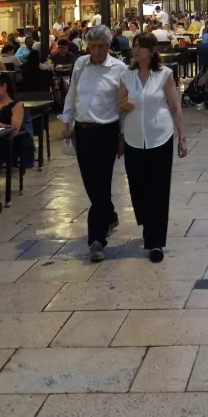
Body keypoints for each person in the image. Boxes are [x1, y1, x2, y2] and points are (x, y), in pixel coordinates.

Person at [119, 32, 187, 262]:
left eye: (140, 47)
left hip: (160, 135)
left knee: (158, 188)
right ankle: (147, 222)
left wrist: (182, 136)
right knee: (137, 187)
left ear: (152, 50)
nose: (136, 51)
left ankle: (155, 241)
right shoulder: (126, 75)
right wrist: (124, 105)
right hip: (134, 137)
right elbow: (121, 103)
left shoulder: (164, 74)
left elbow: (175, 106)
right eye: (134, 47)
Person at [60, 25, 122, 262]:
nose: (95, 51)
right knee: (89, 183)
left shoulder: (119, 69)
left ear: (108, 47)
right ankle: (109, 213)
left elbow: (122, 105)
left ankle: (96, 240)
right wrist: (66, 121)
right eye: (92, 46)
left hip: (107, 131)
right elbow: (72, 94)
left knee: (102, 182)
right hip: (82, 132)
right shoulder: (80, 64)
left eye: (101, 46)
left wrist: (122, 137)